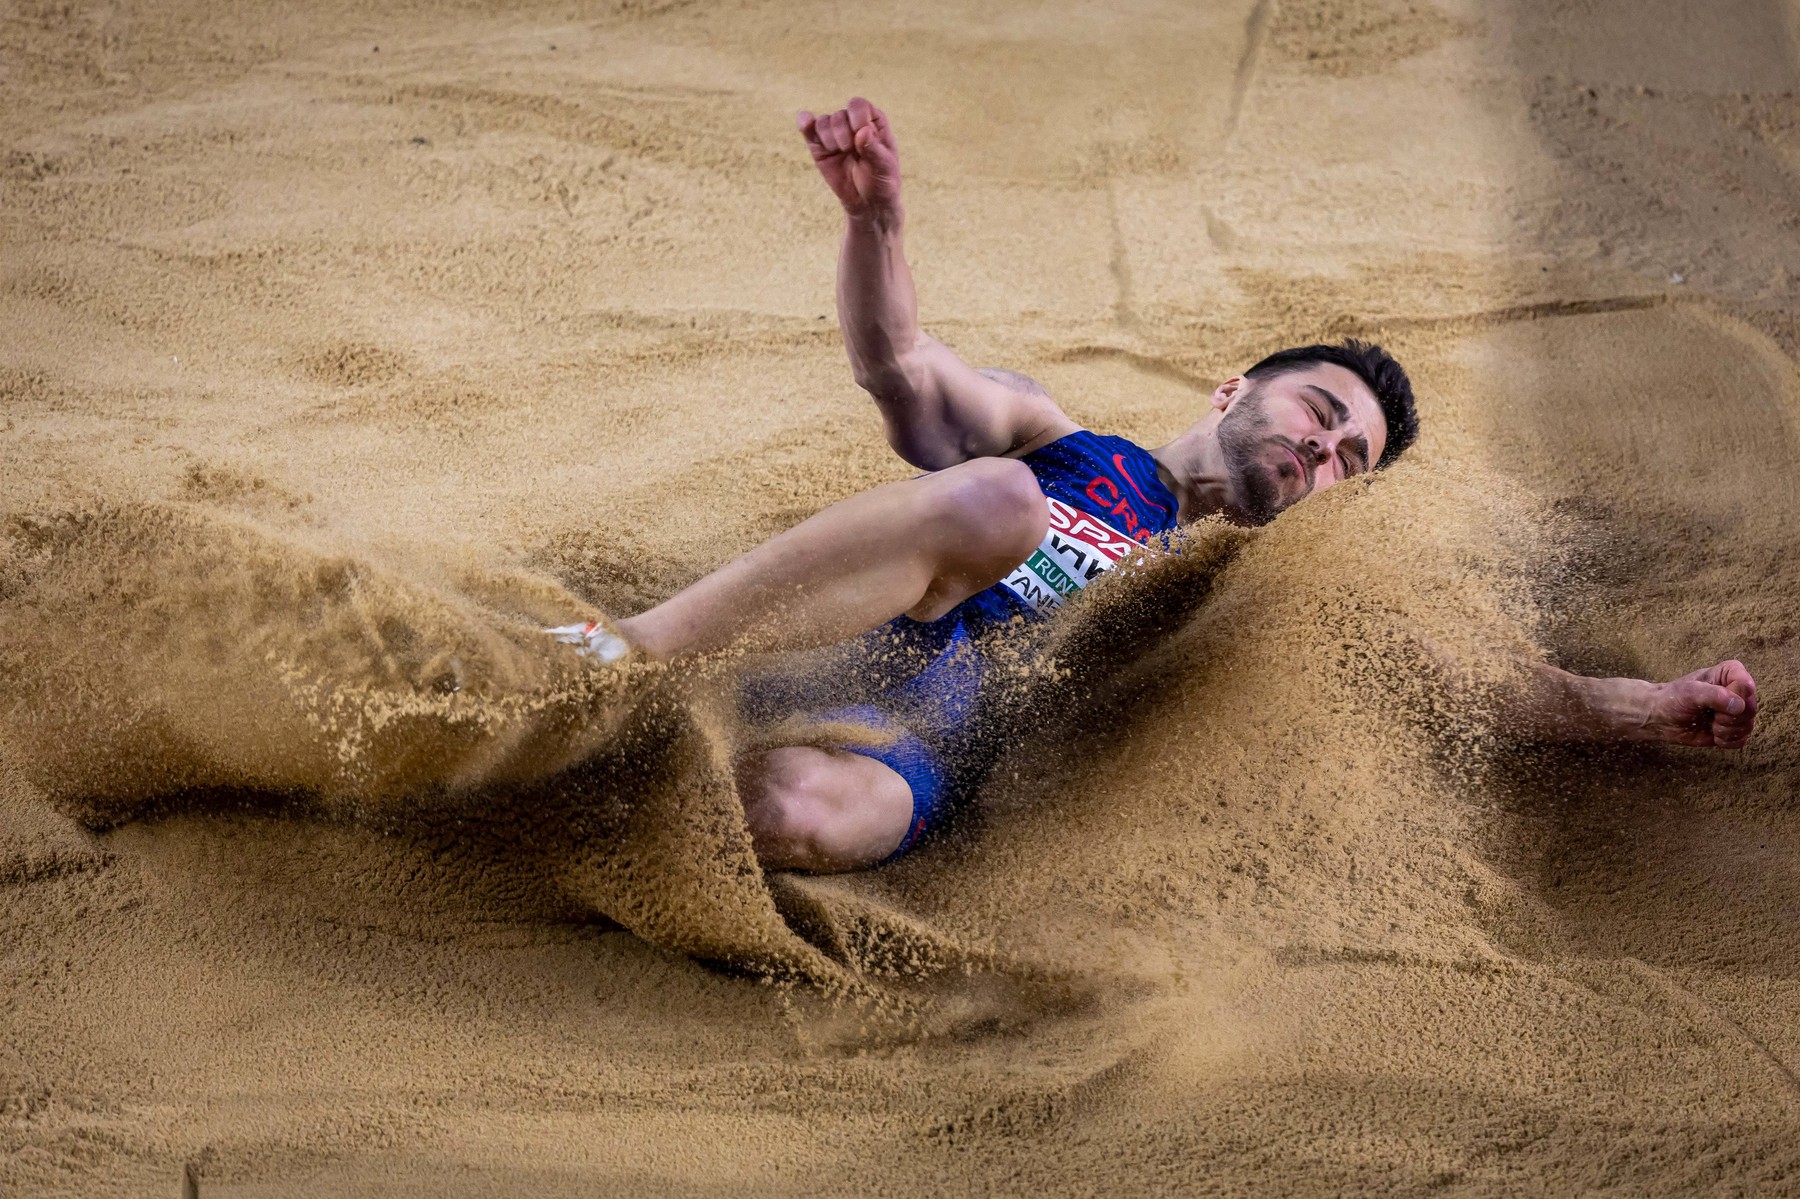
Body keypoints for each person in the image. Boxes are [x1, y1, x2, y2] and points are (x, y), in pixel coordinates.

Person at [549, 98, 1760, 874]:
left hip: (922, 742)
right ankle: (616, 659)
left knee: (802, 815)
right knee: (998, 503)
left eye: (1349, 461)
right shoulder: (1064, 443)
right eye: (1319, 413)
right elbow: (901, 370)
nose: (1322, 450)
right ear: (1237, 388)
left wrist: (1642, 708)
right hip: (831, 637)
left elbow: (1465, 678)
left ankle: (591, 806)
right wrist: (878, 227)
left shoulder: (1275, 594)